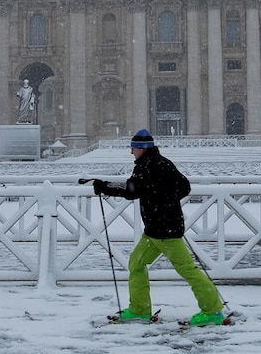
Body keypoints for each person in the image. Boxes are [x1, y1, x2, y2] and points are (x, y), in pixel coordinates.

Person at [92, 129, 226, 326]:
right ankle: (139, 309)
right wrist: (167, 201)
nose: (131, 152)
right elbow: (184, 186)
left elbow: (132, 190)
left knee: (187, 269)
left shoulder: (147, 165)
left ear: (141, 149)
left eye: (133, 148)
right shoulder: (163, 163)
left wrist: (104, 187)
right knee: (136, 263)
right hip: (157, 229)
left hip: (165, 231)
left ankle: (213, 310)